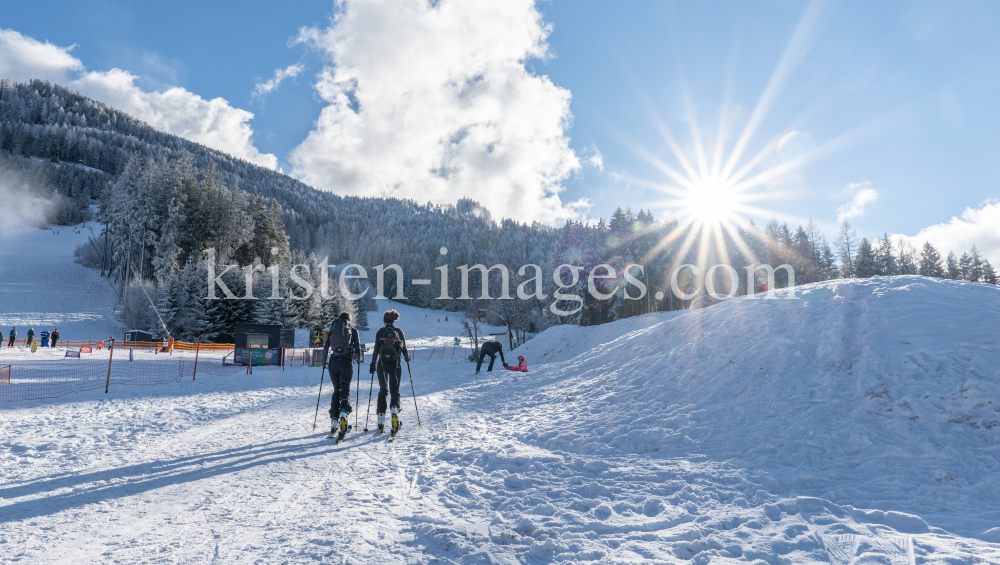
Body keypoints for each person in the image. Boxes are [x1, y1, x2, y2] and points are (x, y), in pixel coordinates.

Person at [369, 310, 410, 434]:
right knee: (395, 391)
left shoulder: (380, 332)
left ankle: (381, 420)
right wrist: (407, 358)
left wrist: (373, 363)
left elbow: (376, 349)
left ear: (385, 321)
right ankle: (394, 412)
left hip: (382, 365)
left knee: (383, 390)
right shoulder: (399, 332)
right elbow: (404, 349)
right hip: (396, 365)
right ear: (393, 321)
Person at [322, 312, 361, 437]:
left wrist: (323, 362)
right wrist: (358, 359)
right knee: (345, 389)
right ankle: (344, 412)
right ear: (349, 320)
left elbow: (326, 346)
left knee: (336, 390)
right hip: (346, 361)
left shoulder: (332, 330)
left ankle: (334, 420)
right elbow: (358, 348)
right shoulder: (352, 330)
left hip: (333, 362)